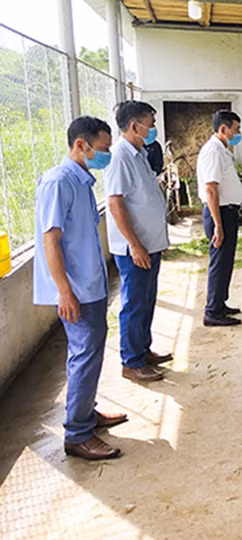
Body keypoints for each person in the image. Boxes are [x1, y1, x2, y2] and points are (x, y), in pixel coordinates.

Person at [33, 116, 127, 460]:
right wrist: (64, 291)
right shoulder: (58, 182)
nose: (105, 156)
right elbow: (50, 239)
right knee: (84, 358)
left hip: (91, 286)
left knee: (90, 355)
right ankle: (77, 435)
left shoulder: (81, 182)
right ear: (81, 145)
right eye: (102, 149)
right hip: (76, 291)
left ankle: (87, 415)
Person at [104, 101, 172, 382]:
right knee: (134, 303)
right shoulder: (119, 157)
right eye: (151, 123)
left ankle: (143, 351)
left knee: (147, 300)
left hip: (149, 243)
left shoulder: (139, 153)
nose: (154, 129)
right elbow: (115, 203)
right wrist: (135, 244)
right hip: (135, 249)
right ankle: (131, 362)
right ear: (135, 126)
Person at [197, 110, 242, 327]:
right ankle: (212, 312)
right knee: (219, 261)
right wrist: (218, 225)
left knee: (226, 262)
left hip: (227, 212)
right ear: (223, 129)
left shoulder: (222, 150)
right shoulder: (212, 152)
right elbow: (211, 190)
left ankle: (220, 303)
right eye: (236, 129)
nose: (238, 133)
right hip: (220, 213)